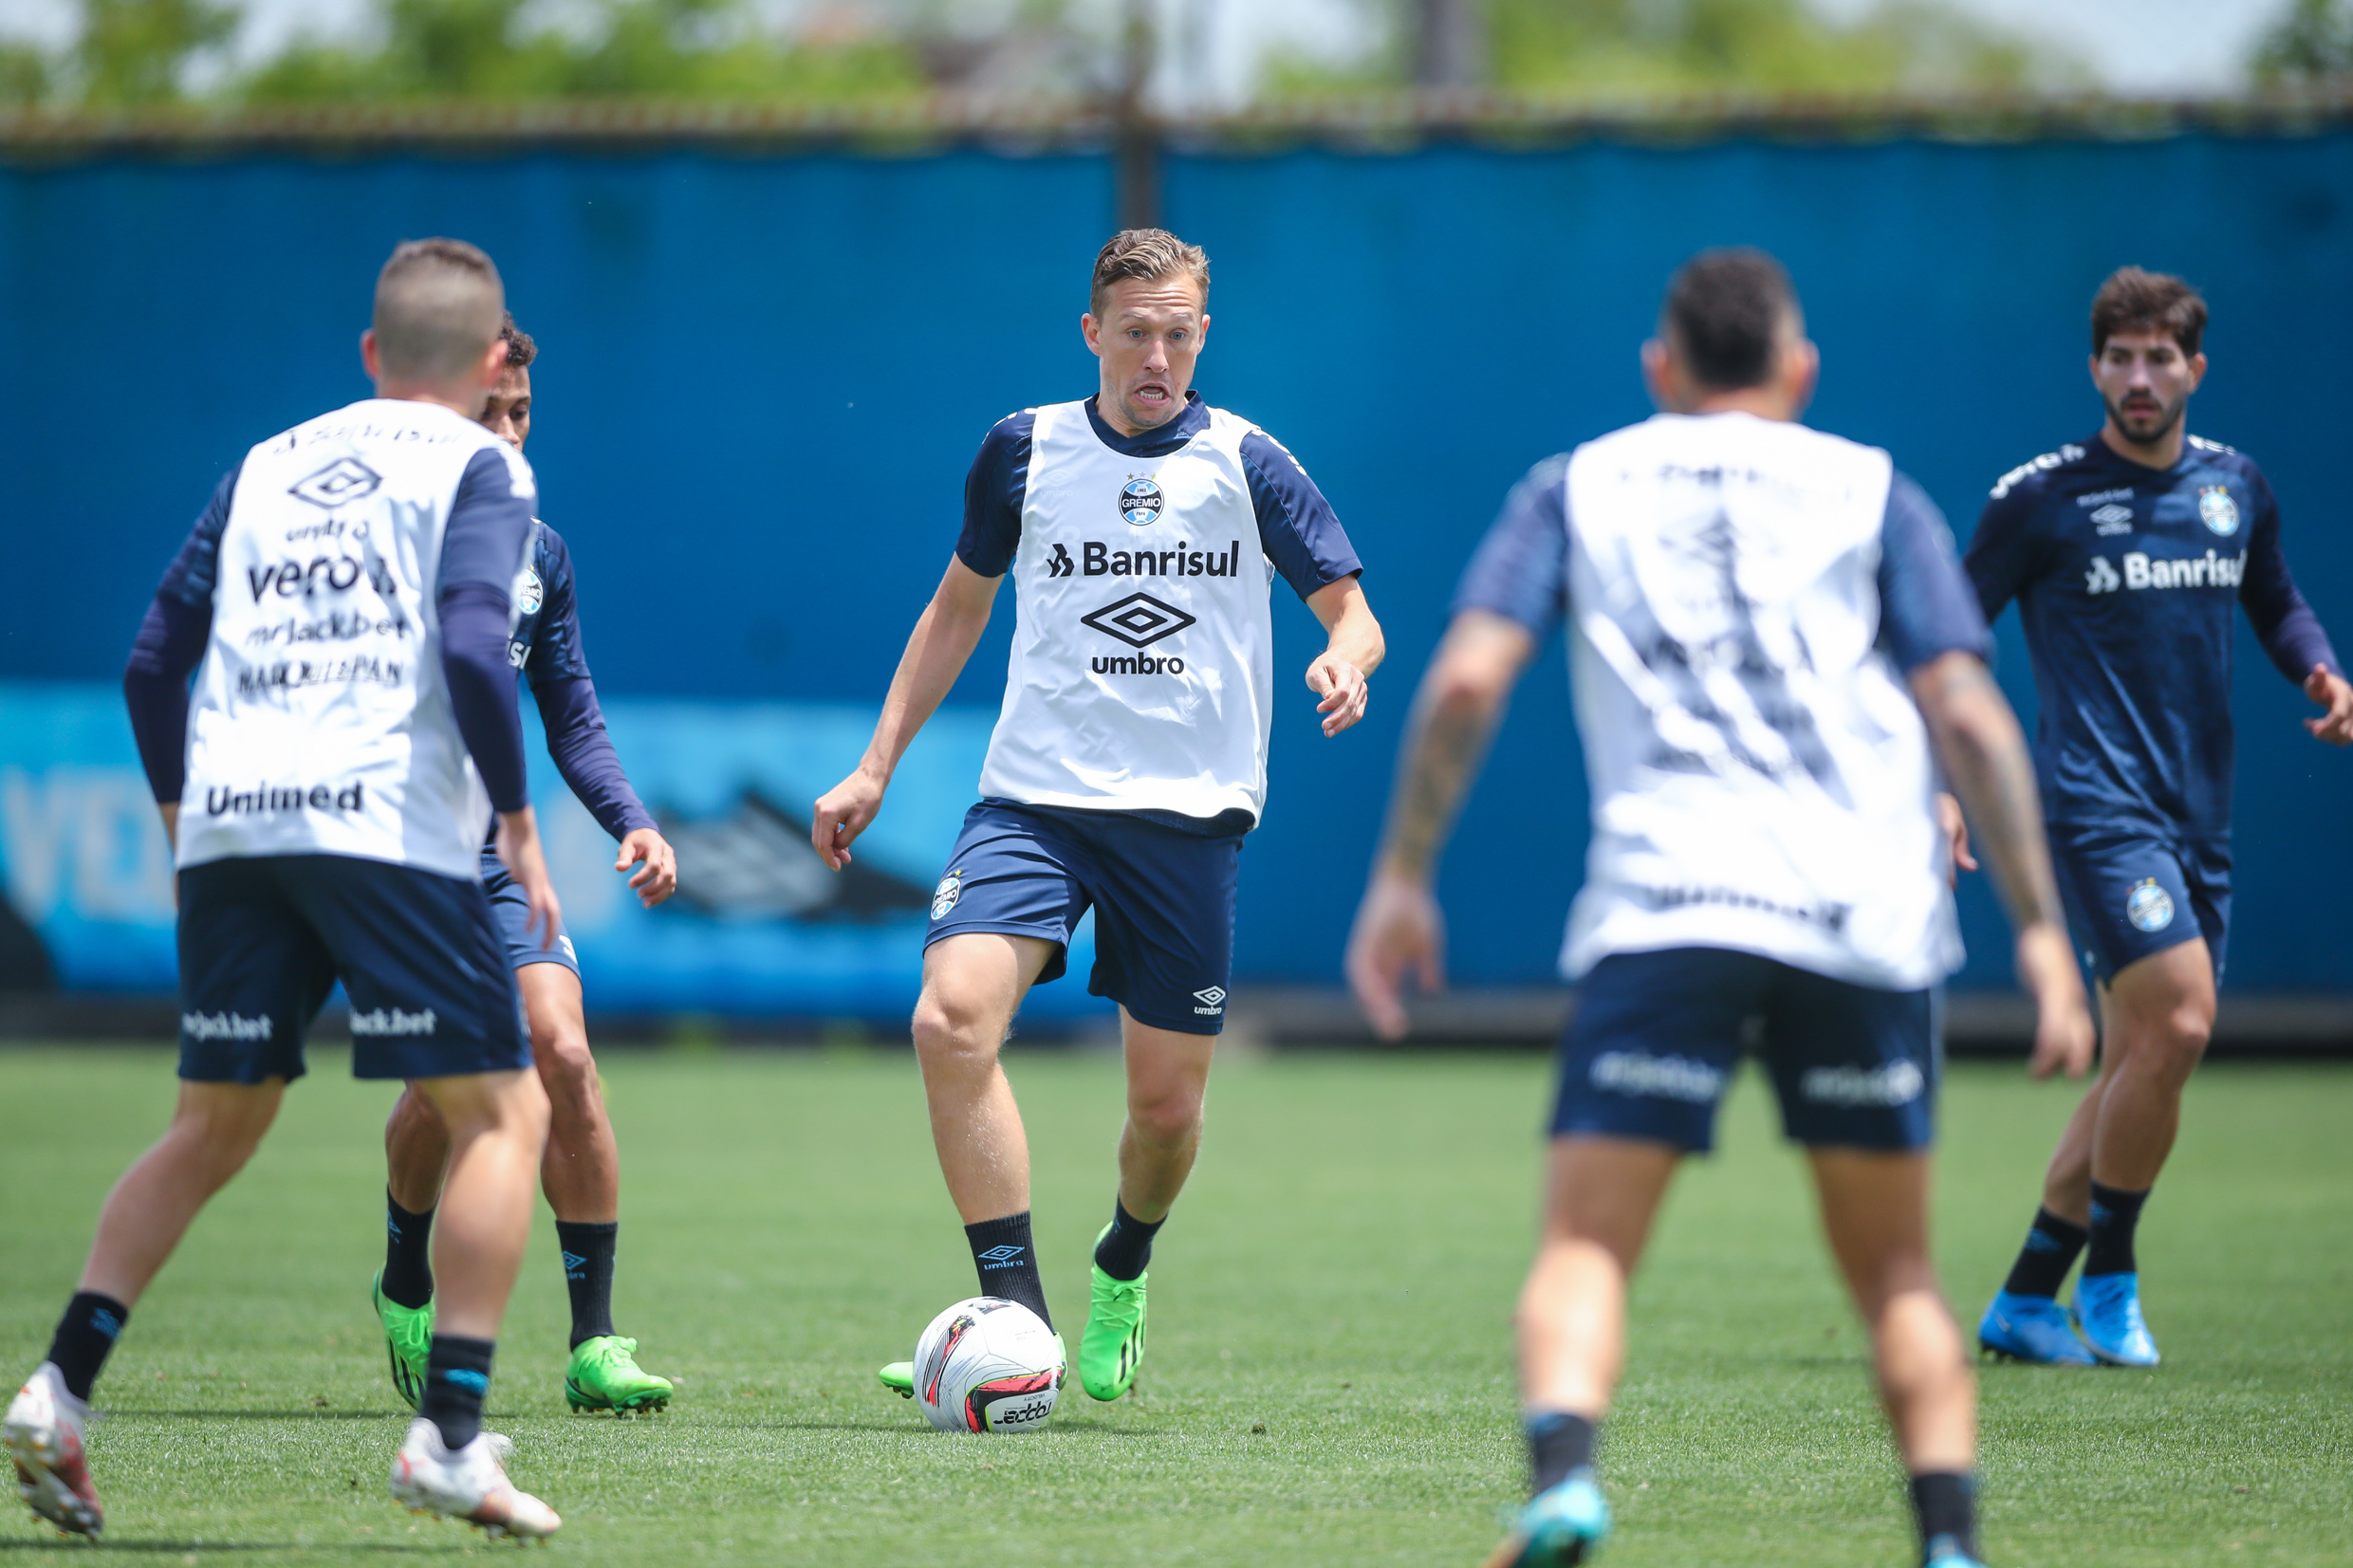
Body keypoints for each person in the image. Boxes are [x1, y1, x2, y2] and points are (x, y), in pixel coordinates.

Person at [1345, 249, 2094, 1568]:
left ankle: (1567, 1480)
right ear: (1800, 370)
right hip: (1857, 916)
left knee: (1585, 1244)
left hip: (1668, 907)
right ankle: (1951, 1541)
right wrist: (2039, 931)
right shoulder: (1872, 489)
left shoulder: (1576, 483)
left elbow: (1464, 684)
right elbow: (1968, 712)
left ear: (1660, 368)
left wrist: (1403, 875)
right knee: (1899, 1278)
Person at [3, 240, 564, 1540]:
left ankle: (60, 1388)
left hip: (235, 827)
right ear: (493, 367)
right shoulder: (488, 464)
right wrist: (523, 827)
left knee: (211, 1127)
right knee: (501, 1115)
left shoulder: (265, 463)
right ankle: (455, 1434)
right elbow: (481, 644)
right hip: (381, 824)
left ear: (370, 354)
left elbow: (154, 659)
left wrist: (176, 815)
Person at [813, 229, 1384, 1404]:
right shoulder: (1023, 450)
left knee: (1164, 1116)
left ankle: (1121, 1263)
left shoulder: (1247, 461)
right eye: (1135, 334)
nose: (1157, 357)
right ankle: (1013, 1319)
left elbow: (1352, 610)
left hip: (1185, 822)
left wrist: (1346, 659)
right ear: (1092, 334)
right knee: (949, 1020)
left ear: (1202, 337)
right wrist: (874, 767)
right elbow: (955, 610)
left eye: (1179, 334)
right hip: (1036, 802)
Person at [1967, 267, 2351, 1369]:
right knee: (2178, 1025)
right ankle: (2113, 1276)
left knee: (2144, 1058)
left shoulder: (2233, 487)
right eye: (2118, 358)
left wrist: (2318, 672)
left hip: (2199, 811)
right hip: (2095, 804)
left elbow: (2273, 598)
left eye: (2158, 358)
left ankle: (2025, 1299)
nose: (2138, 379)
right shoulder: (2038, 499)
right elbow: (1945, 636)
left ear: (2193, 368)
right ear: (2093, 368)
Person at [370, 314, 680, 1419]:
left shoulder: (539, 554)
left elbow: (573, 718)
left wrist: (631, 821)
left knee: (564, 1053)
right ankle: (406, 1273)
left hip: (497, 862)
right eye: (487, 413)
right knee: (441, 1094)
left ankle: (594, 1343)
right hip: (398, 862)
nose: (507, 433)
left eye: (521, 416)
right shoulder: (376, 537)